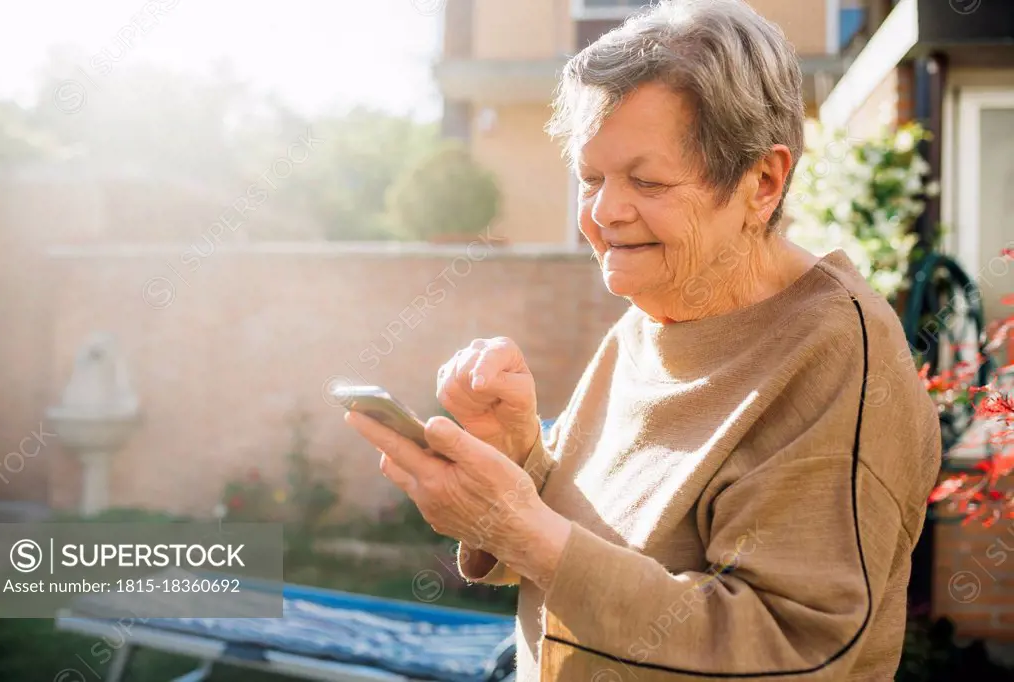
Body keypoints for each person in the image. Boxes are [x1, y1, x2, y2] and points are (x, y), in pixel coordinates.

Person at [344, 0, 942, 679]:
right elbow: (603, 550)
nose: (603, 212)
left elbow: (792, 654)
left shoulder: (838, 357)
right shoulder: (652, 317)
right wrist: (521, 464)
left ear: (761, 183)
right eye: (591, 178)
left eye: (647, 181)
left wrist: (520, 527)